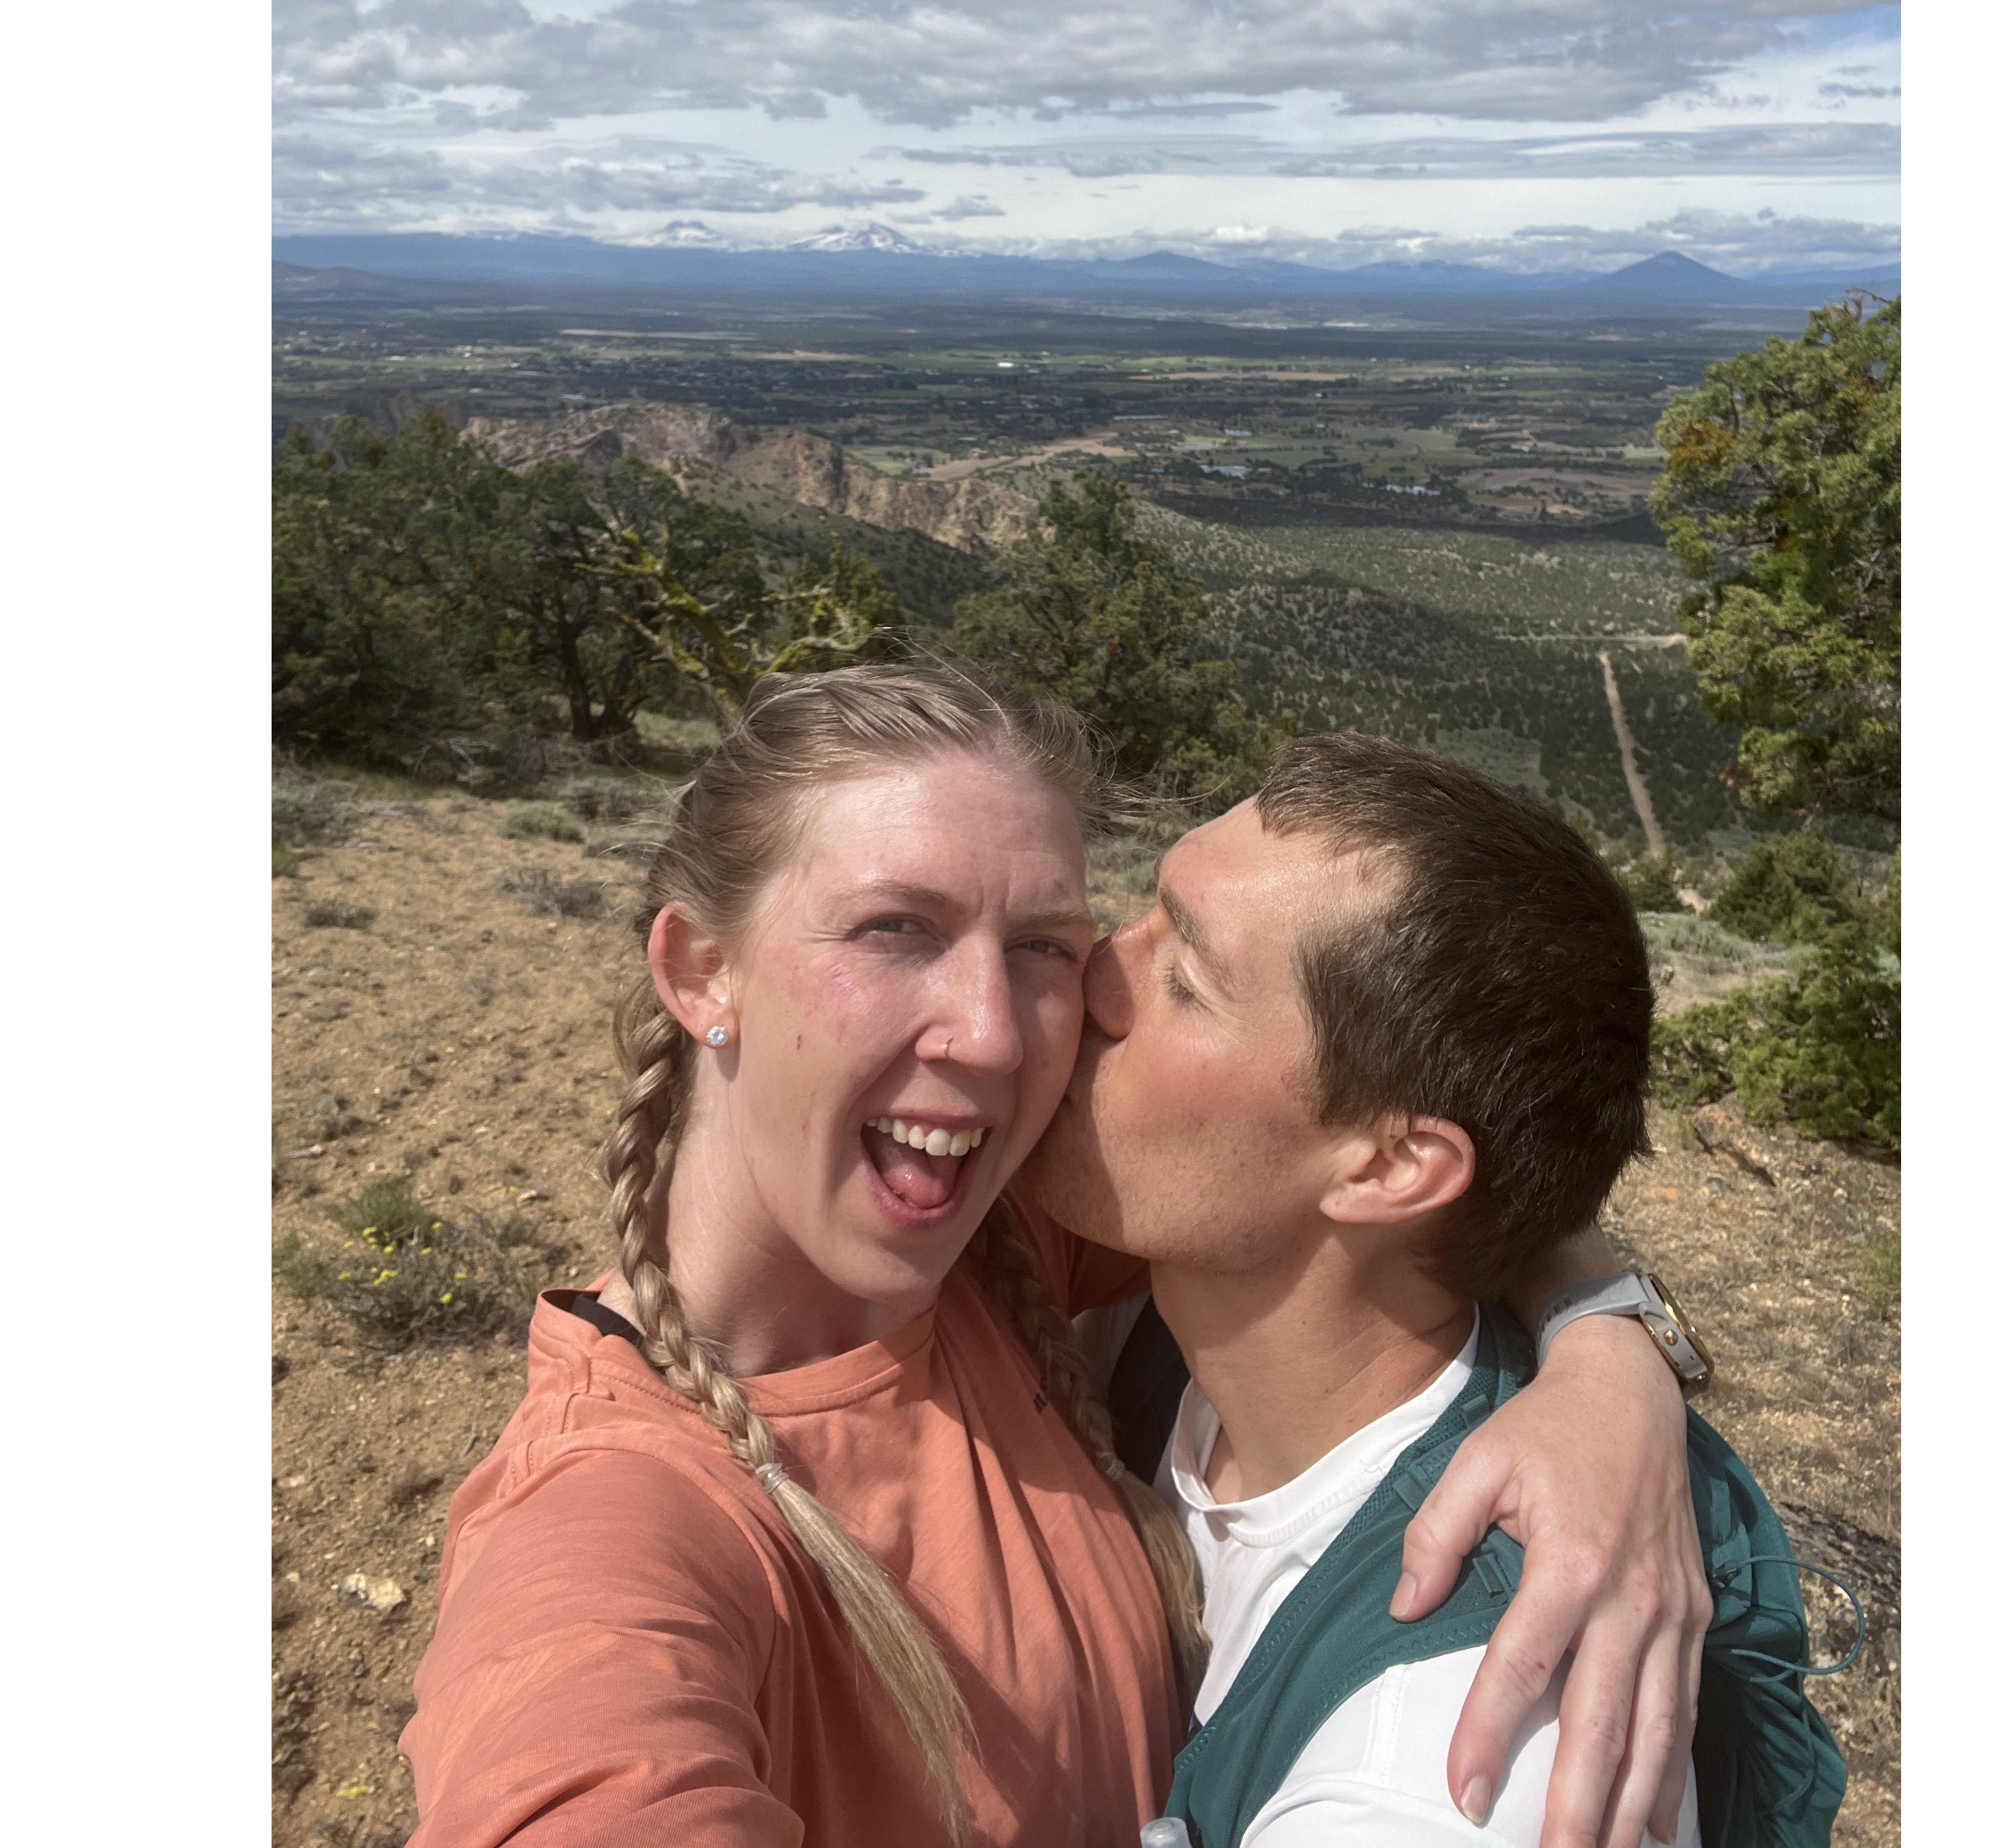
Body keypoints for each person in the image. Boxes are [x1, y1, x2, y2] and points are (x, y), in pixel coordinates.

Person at [401, 664, 1705, 1847]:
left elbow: (1463, 1150)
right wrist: (1609, 1343)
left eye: (1043, 945)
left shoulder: (991, 1237)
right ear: (700, 972)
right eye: (893, 928)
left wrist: (1605, 1341)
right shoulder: (607, 1521)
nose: (1010, 1030)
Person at [1024, 734, 1847, 1848]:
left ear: (1385, 1169)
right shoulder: (1177, 1312)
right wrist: (1607, 1329)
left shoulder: (1446, 1775)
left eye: (1184, 979)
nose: (1093, 969)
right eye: (1145, 910)